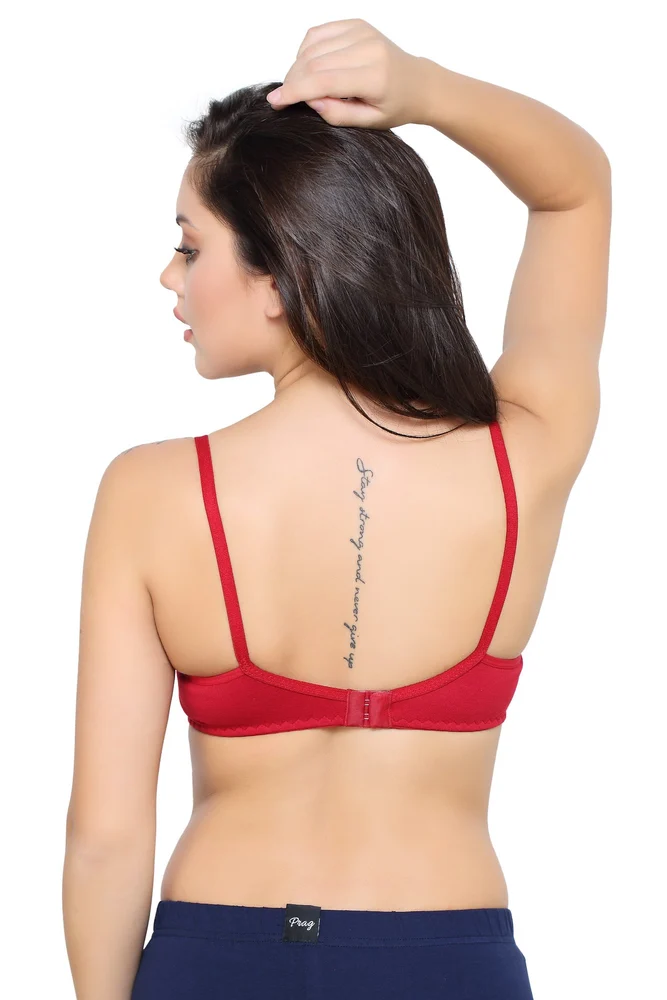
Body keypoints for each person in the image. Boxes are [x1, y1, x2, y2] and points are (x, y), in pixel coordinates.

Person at [62, 18, 612, 1000]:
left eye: (189, 247)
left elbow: (106, 839)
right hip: (444, 960)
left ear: (277, 276)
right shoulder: (518, 458)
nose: (170, 278)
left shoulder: (150, 494)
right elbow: (575, 188)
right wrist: (424, 90)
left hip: (214, 957)